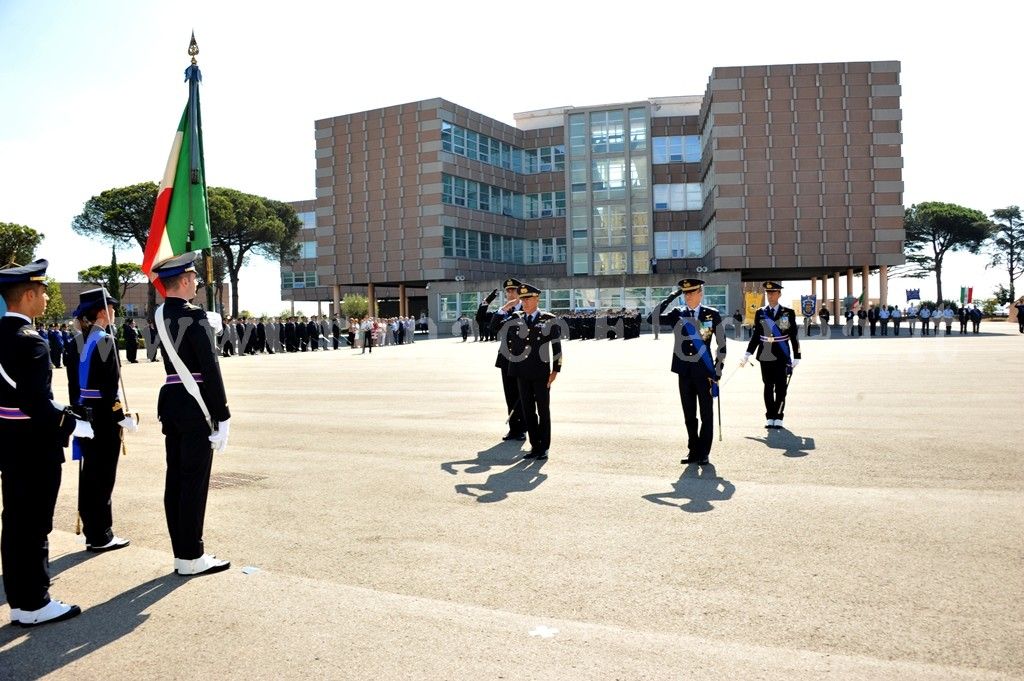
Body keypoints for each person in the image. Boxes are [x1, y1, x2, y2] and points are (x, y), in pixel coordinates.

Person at [0, 259, 92, 626]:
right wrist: (70, 421)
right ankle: (36, 603)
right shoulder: (31, 342)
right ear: (28, 295)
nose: (47, 296)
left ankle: (21, 602)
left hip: (8, 441)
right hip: (35, 445)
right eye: (42, 291)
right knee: (35, 525)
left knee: (15, 523)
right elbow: (36, 402)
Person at [152, 252, 231, 577]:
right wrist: (222, 414)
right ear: (184, 281)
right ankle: (192, 556)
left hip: (172, 402)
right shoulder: (196, 317)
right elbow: (209, 369)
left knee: (176, 481)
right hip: (196, 404)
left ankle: (181, 553)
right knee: (194, 483)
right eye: (194, 277)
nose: (197, 282)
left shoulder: (158, 315)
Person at [66, 288, 137, 554]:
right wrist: (121, 417)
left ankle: (92, 531)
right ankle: (101, 535)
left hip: (84, 415)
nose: (115, 312)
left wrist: (78, 414)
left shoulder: (75, 342)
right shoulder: (105, 340)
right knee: (104, 476)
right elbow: (109, 389)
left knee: (89, 475)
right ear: (101, 312)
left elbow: (74, 386)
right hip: (105, 418)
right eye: (111, 307)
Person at [648, 279, 725, 464]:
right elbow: (652, 318)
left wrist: (718, 367)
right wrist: (671, 297)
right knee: (689, 414)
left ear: (700, 293)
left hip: (705, 372)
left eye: (691, 292)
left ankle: (704, 452)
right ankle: (693, 451)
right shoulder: (677, 314)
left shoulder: (711, 315)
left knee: (706, 414)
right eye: (684, 293)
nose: (687, 296)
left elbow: (721, 344)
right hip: (684, 371)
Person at [490, 283, 562, 459]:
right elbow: (494, 327)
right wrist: (504, 308)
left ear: (537, 299)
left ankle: (544, 447)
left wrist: (555, 371)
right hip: (521, 373)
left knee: (543, 410)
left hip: (540, 373)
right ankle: (534, 445)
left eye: (528, 298)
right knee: (529, 412)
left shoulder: (548, 319)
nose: (525, 302)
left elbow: (557, 347)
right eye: (522, 299)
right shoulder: (515, 317)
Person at [742, 281, 801, 430]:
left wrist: (797, 355)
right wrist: (748, 352)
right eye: (768, 293)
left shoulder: (788, 312)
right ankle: (770, 416)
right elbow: (756, 334)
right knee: (768, 386)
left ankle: (779, 417)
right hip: (765, 354)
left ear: (779, 294)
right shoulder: (760, 312)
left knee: (781, 387)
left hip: (782, 355)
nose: (770, 296)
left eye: (773, 293)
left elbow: (793, 335)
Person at [477, 278, 527, 441]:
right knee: (510, 394)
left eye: (513, 291)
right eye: (508, 291)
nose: (510, 294)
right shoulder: (502, 310)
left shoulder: (526, 309)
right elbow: (482, 319)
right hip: (506, 359)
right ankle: (514, 429)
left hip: (522, 359)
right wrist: (487, 301)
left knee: (522, 394)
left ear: (520, 293)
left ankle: (523, 427)